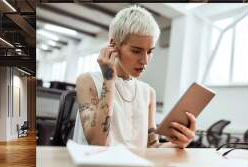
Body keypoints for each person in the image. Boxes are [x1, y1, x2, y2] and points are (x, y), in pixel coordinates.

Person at [73, 5, 197, 149]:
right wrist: (109, 78)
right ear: (113, 45)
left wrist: (178, 144)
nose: (144, 60)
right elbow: (97, 143)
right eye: (136, 51)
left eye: (150, 51)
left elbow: (152, 148)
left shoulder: (148, 93)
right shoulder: (87, 81)